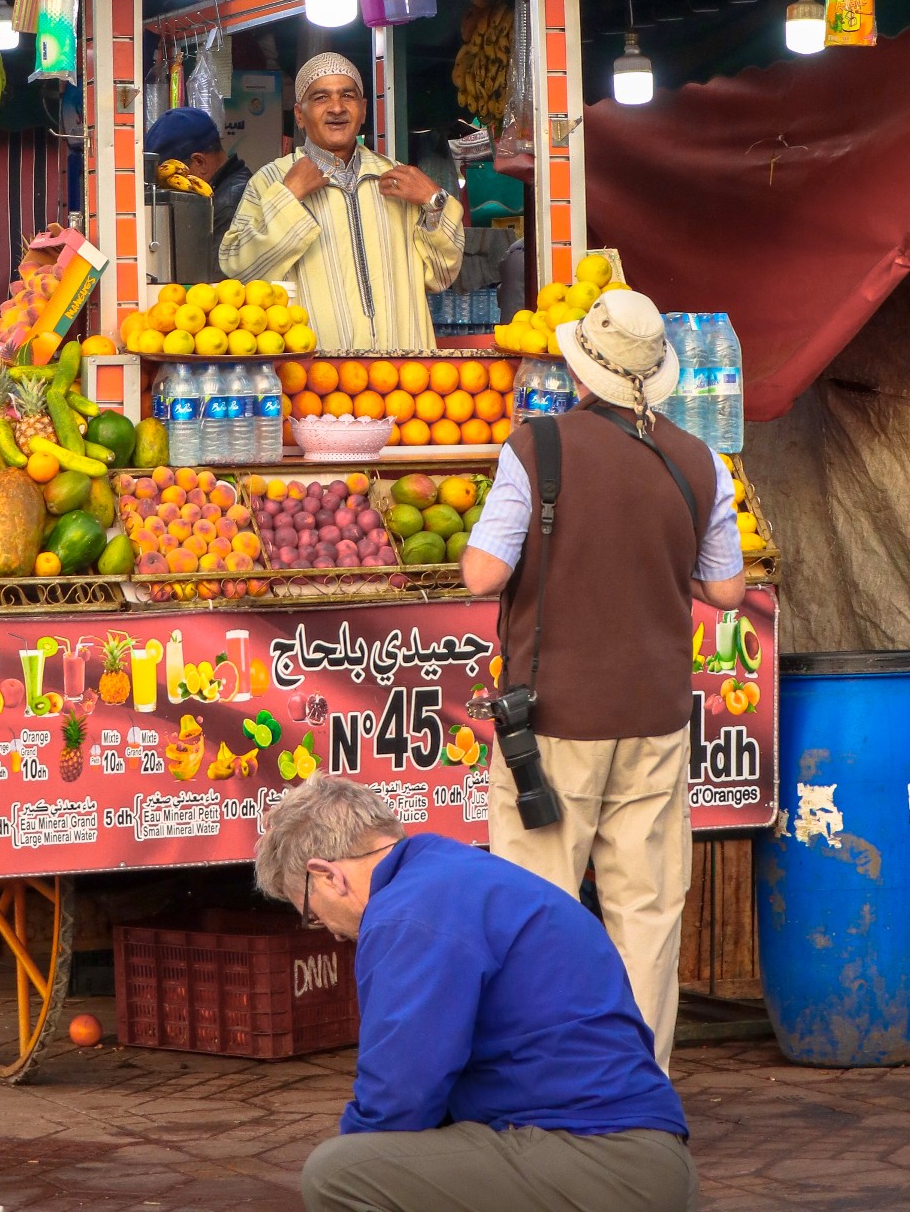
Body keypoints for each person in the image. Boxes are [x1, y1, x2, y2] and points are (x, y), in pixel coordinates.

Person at [461, 286, 745, 1071]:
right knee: (647, 911)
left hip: (552, 720)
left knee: (536, 907)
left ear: (581, 366)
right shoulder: (702, 461)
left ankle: (544, 1079)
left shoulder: (535, 448)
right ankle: (638, 1087)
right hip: (655, 715)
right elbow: (725, 589)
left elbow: (484, 574)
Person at [255, 775, 699, 1212]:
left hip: (606, 1161)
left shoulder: (406, 912)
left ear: (327, 875)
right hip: (629, 1152)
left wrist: (363, 1152)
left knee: (338, 1175)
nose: (329, 931)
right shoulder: (455, 874)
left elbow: (398, 1098)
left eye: (312, 914)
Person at [218, 52, 462, 352]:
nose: (337, 108)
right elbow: (240, 271)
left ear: (363, 110)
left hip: (402, 374)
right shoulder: (271, 180)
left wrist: (433, 201)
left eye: (348, 95)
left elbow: (441, 276)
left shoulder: (399, 179)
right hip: (314, 377)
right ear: (299, 114)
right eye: (321, 97)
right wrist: (288, 195)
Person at [145, 106, 252, 282]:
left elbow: (212, 280)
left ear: (199, 162)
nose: (171, 184)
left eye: (173, 175)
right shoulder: (219, 192)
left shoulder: (230, 202)